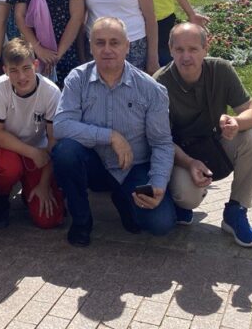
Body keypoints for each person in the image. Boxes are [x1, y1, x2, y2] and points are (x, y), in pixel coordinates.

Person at [51, 17, 175, 247]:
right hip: (95, 164)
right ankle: (81, 221)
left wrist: (158, 182)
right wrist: (111, 136)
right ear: (91, 46)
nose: (107, 49)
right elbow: (61, 125)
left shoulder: (150, 89)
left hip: (134, 167)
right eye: (100, 43)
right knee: (65, 151)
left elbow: (162, 143)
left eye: (114, 43)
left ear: (127, 46)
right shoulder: (77, 79)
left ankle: (123, 198)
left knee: (161, 223)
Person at [154, 23, 252, 247]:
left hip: (215, 144)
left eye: (193, 49)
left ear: (206, 48)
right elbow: (161, 141)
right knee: (187, 197)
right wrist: (189, 163)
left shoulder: (221, 69)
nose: (186, 57)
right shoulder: (159, 83)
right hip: (181, 154)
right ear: (170, 49)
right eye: (179, 50)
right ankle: (181, 203)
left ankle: (236, 211)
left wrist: (236, 122)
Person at [0, 38, 63, 229]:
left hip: (39, 150)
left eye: (26, 68)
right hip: (8, 147)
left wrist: (44, 185)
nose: (21, 77)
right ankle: (0, 197)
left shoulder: (51, 92)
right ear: (5, 70)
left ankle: (32, 192)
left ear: (36, 65)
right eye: (14, 70)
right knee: (9, 167)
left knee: (49, 220)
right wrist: (31, 152)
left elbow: (55, 142)